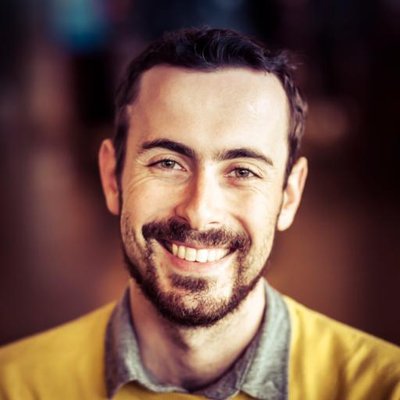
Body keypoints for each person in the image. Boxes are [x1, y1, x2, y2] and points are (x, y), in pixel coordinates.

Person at [0, 27, 399, 400]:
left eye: (242, 171)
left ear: (289, 195)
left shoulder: (384, 387)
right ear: (111, 178)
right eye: (167, 163)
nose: (198, 213)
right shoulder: (14, 385)